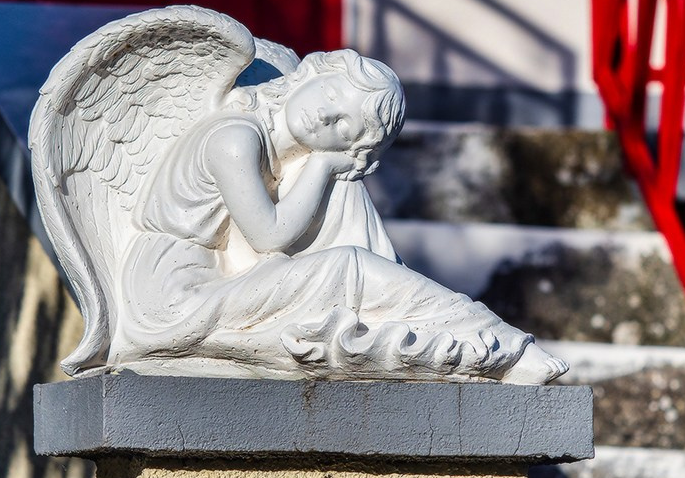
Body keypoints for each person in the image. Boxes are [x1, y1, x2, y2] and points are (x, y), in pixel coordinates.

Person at [111, 48, 568, 384]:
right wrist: (326, 164)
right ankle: (498, 344)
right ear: (312, 74)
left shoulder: (280, 152)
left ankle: (469, 336)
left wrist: (329, 169)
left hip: (204, 285)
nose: (326, 115)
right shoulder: (235, 138)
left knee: (344, 198)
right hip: (173, 298)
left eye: (346, 125)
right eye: (331, 92)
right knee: (345, 264)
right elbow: (268, 235)